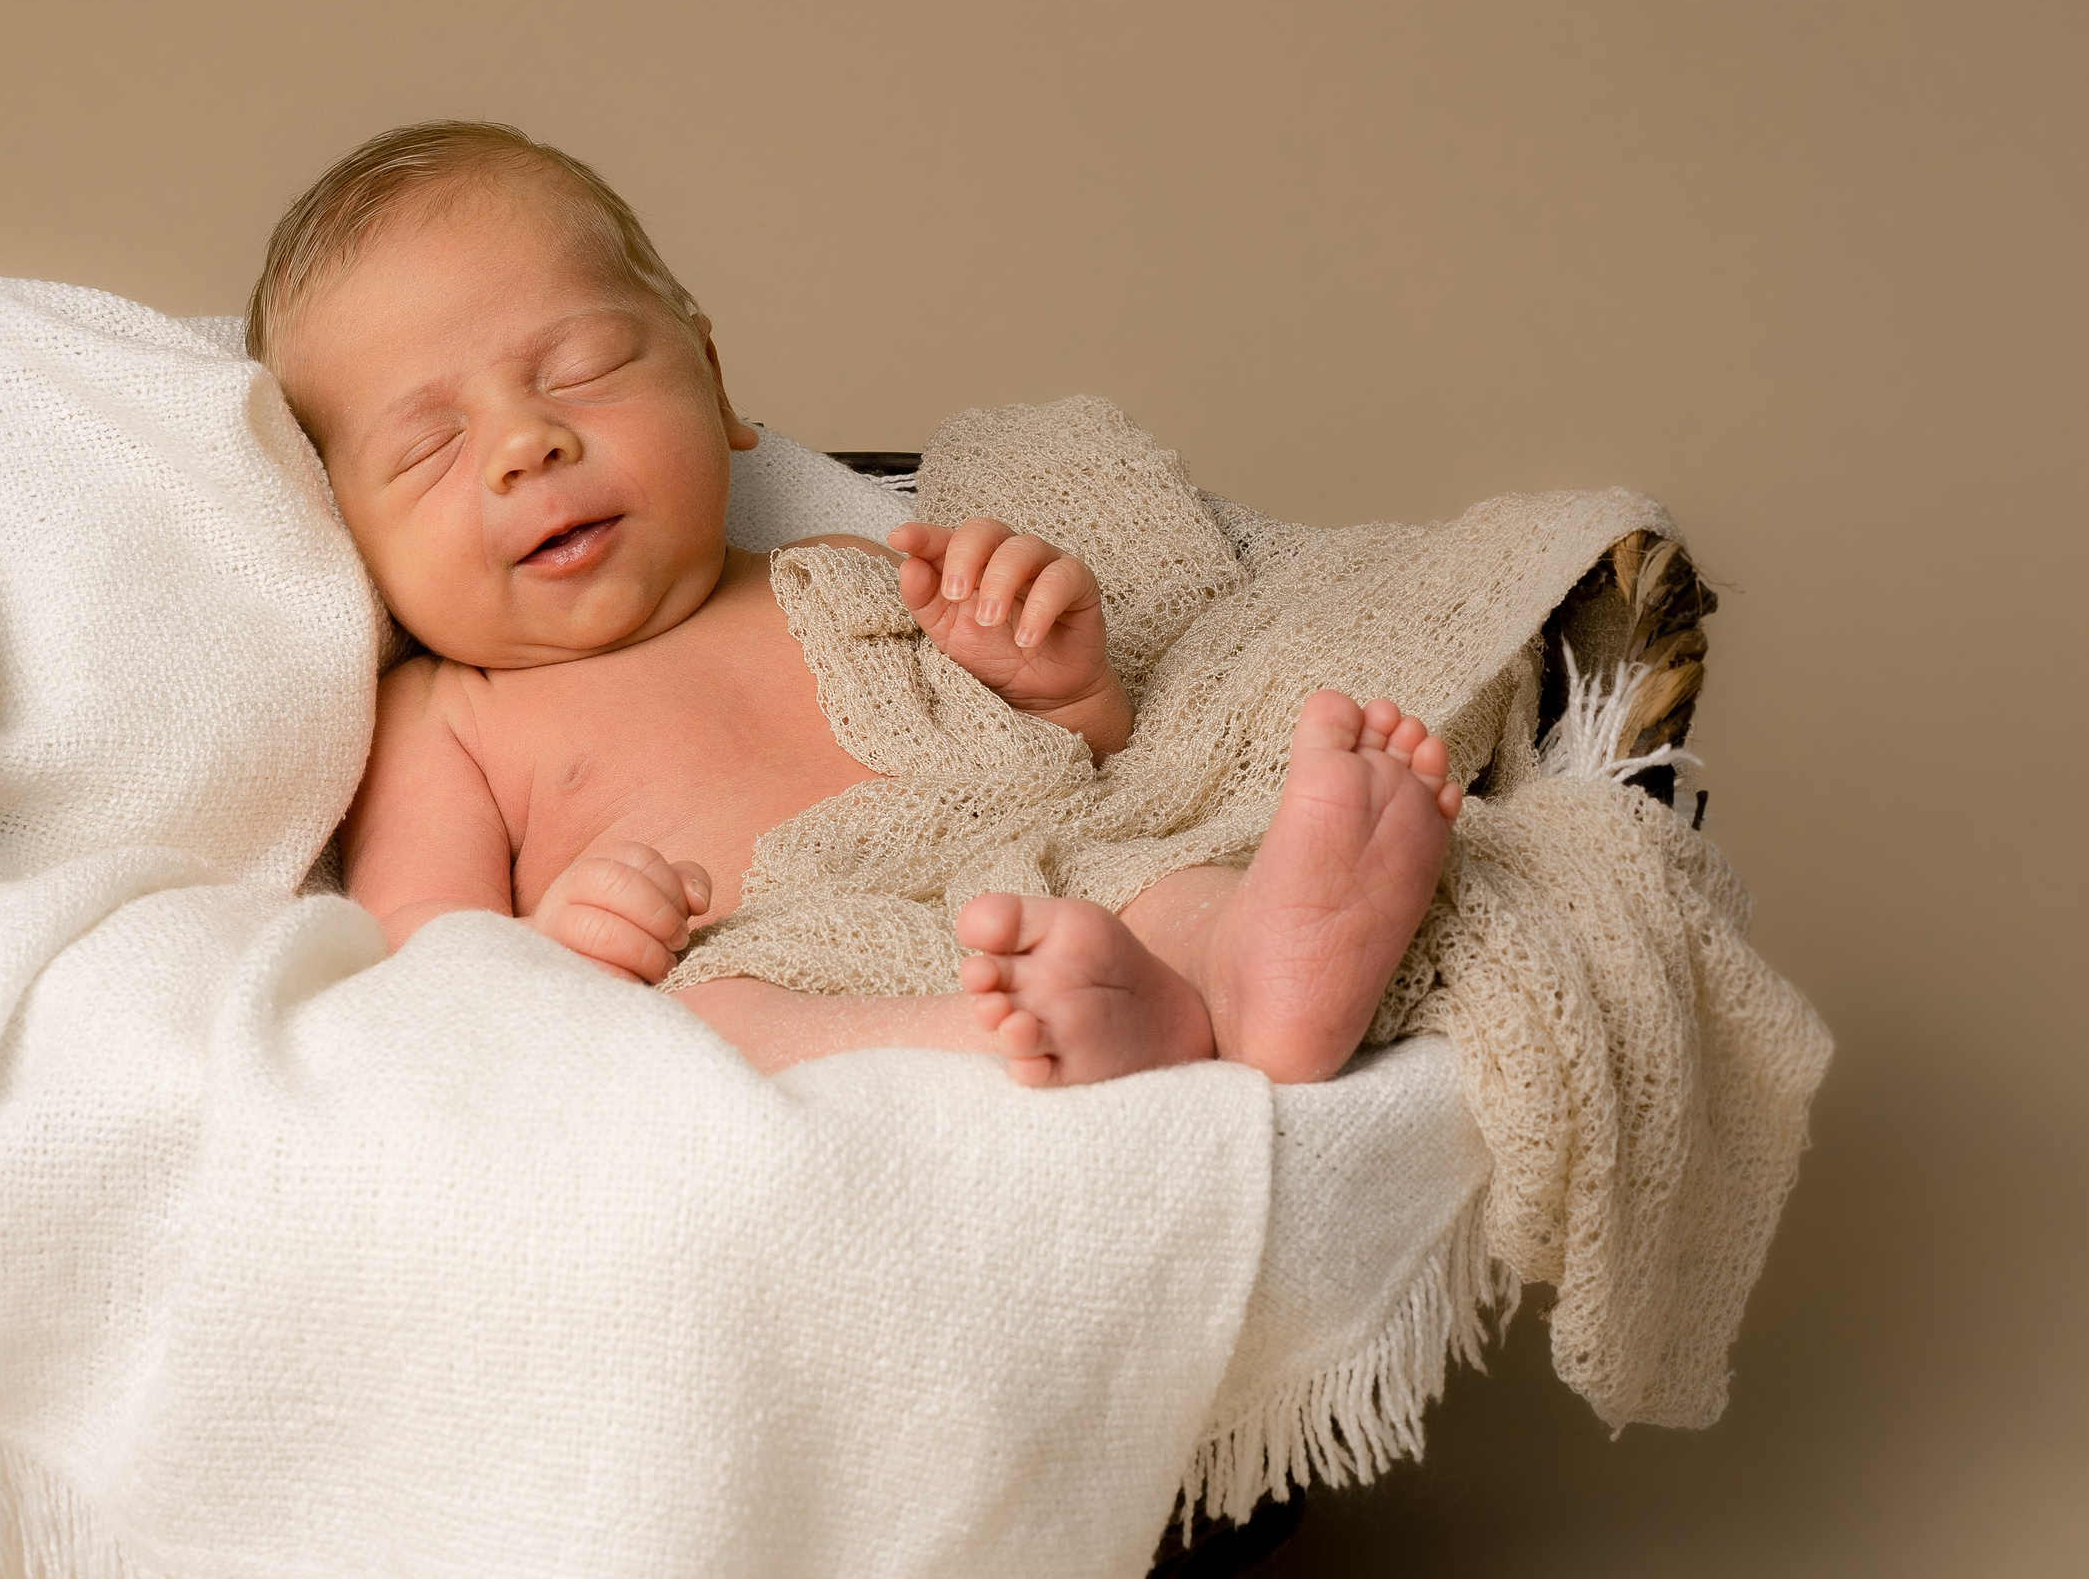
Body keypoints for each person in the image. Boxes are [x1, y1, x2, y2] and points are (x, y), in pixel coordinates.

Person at [253, 122, 1462, 1087]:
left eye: (581, 371)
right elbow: (435, 965)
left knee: (1151, 874)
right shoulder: (447, 715)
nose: (527, 443)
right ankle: (995, 1041)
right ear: (352, 540)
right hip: (765, 956)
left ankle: (1262, 966)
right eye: (428, 449)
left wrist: (1059, 679)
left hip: (1021, 866)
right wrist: (562, 944)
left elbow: (1077, 767)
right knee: (708, 1038)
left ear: (715, 383)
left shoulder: (831, 563)